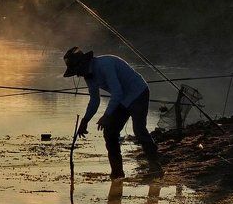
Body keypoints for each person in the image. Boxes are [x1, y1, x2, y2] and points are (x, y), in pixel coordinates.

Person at [63, 47, 161, 179]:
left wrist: (107, 115)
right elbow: (94, 100)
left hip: (138, 92)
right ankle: (117, 173)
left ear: (83, 64)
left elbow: (117, 92)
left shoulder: (105, 65)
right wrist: (85, 120)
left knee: (139, 129)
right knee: (109, 131)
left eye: (77, 70)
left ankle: (155, 167)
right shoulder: (89, 76)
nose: (78, 75)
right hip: (123, 99)